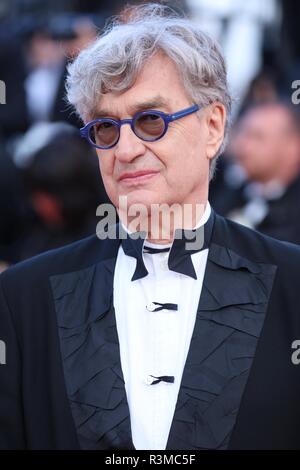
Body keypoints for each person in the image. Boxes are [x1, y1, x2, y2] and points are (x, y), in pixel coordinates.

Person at [1, 3, 300, 451]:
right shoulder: (24, 298)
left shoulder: (294, 285)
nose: (124, 149)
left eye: (150, 121)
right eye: (104, 128)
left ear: (213, 126)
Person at [226, 102, 300, 244]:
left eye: (257, 137)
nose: (243, 146)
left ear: (294, 148)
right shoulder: (221, 191)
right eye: (243, 134)